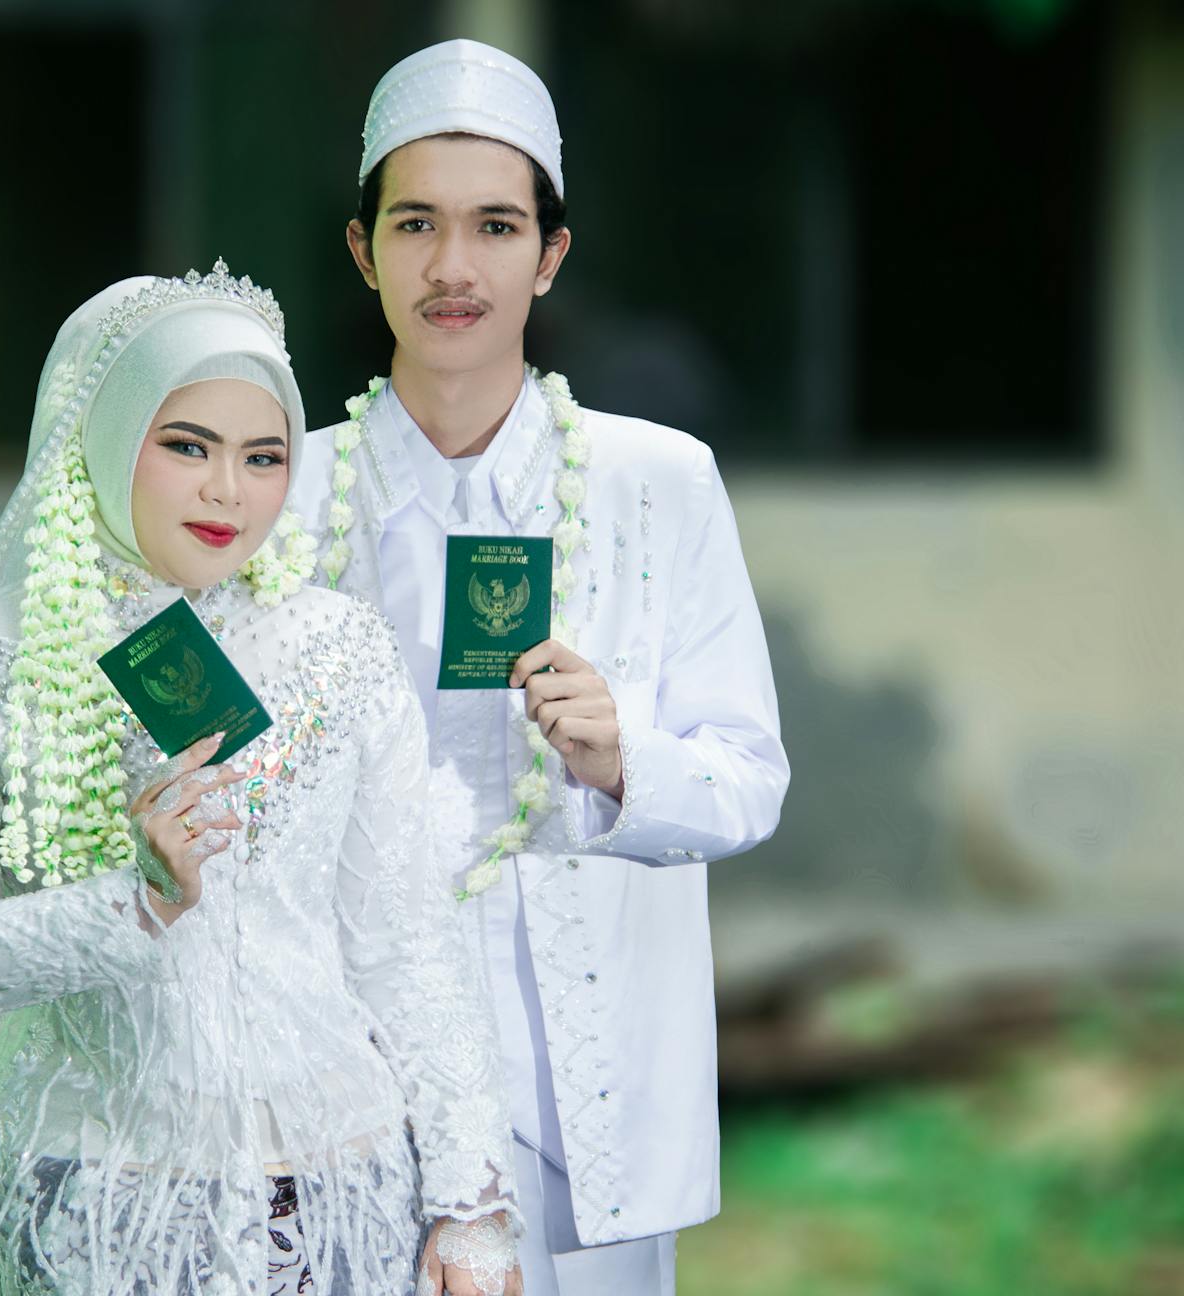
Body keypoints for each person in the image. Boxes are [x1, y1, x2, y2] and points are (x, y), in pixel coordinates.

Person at [0, 262, 525, 1296]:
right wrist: (135, 901)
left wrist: (471, 1204)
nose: (228, 491)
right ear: (101, 435)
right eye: (186, 446)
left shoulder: (334, 647)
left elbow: (404, 941)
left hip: (340, 1191)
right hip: (94, 1201)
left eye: (262, 456)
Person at [288, 41, 791, 1296]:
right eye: (414, 224)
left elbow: (748, 780)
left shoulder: (654, 483)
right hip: (346, 1094)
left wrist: (623, 756)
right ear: (363, 250)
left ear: (548, 254)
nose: (452, 268)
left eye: (495, 226)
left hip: (588, 1097)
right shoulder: (279, 494)